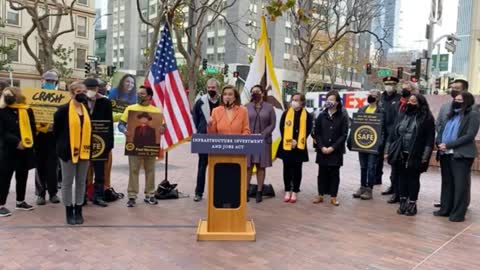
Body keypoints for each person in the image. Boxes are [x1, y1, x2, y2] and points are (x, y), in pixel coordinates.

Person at [434, 92, 479, 222]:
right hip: (445, 153)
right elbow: (442, 129)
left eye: (460, 100)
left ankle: (458, 214)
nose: (456, 101)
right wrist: (439, 142)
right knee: (447, 183)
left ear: (467, 102)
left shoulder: (473, 115)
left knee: (460, 185)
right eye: (455, 99)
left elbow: (469, 135)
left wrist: (448, 144)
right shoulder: (451, 114)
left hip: (461, 154)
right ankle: (445, 209)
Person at [387, 94, 435, 216]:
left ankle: (412, 203)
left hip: (416, 154)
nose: (410, 103)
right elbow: (393, 133)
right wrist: (389, 150)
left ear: (420, 104)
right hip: (400, 152)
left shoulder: (427, 118)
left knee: (413, 179)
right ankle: (403, 201)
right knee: (401, 178)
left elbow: (430, 140)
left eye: (414, 101)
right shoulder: (402, 114)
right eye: (410, 101)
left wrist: (425, 157)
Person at [118, 86, 164, 208]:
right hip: (134, 145)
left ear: (149, 96)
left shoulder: (156, 111)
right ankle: (132, 195)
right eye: (138, 94)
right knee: (133, 170)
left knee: (150, 170)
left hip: (150, 146)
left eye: (142, 94)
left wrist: (162, 129)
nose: (139, 96)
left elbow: (162, 127)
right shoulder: (130, 109)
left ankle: (150, 194)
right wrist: (124, 130)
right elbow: (121, 125)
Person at [54, 81, 92, 225]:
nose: (82, 93)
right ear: (71, 93)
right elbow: (56, 132)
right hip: (67, 152)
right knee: (67, 182)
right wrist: (62, 147)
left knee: (82, 181)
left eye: (84, 90)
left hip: (84, 151)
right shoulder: (63, 110)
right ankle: (69, 210)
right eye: (78, 91)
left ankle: (79, 209)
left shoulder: (86, 109)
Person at [0, 87, 36, 217]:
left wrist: (29, 143)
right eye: (6, 94)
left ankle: (20, 202)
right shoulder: (2, 111)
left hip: (25, 149)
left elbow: (32, 127)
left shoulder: (27, 110)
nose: (8, 96)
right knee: (4, 177)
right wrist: (16, 142)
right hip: (8, 149)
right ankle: (1, 204)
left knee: (22, 175)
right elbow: (2, 132)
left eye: (11, 94)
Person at [383, 79, 418, 204]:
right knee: (395, 169)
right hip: (395, 140)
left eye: (407, 88)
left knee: (406, 172)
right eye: (403, 87)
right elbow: (393, 122)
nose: (404, 90)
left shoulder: (416, 104)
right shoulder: (399, 104)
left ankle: (404, 194)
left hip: (408, 143)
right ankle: (396, 192)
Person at [313, 90, 348, 206]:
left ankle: (333, 196)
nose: (329, 102)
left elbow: (344, 135)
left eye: (332, 99)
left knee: (334, 174)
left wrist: (333, 147)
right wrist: (321, 146)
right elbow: (316, 133)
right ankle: (320, 195)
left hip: (335, 151)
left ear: (337, 102)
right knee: (321, 173)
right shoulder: (321, 115)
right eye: (328, 99)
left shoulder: (342, 116)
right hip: (322, 150)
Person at [277, 92, 313, 203]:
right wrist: (288, 140)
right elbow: (282, 128)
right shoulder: (286, 113)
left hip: (299, 147)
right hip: (286, 146)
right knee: (286, 168)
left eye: (297, 100)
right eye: (293, 99)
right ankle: (287, 190)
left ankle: (295, 191)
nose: (294, 102)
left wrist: (296, 142)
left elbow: (308, 130)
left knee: (297, 169)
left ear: (302, 102)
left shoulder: (308, 115)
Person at [84, 78, 114, 207]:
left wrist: (109, 144)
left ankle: (99, 196)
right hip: (83, 141)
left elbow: (110, 123)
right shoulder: (80, 101)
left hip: (100, 142)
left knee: (100, 171)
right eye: (88, 88)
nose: (91, 91)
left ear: (98, 89)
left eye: (93, 88)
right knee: (84, 171)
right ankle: (83, 196)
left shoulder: (105, 102)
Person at [351, 90, 385, 200]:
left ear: (378, 98)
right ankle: (362, 186)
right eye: (370, 95)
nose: (371, 97)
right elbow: (356, 124)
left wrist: (381, 142)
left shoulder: (381, 111)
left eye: (373, 96)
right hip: (362, 142)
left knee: (371, 167)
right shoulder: (362, 109)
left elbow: (383, 128)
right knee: (363, 166)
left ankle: (369, 189)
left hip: (374, 143)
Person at [245, 85, 276, 203]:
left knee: (260, 167)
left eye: (257, 91)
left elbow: (272, 124)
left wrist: (263, 134)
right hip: (249, 141)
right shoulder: (246, 107)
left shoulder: (269, 107)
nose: (255, 93)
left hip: (263, 141)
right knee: (248, 166)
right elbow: (243, 122)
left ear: (262, 93)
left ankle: (259, 191)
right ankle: (246, 191)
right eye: (253, 92)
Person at [35, 70, 62, 205]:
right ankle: (40, 194)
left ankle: (53, 193)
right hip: (39, 136)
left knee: (53, 166)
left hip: (54, 136)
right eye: (48, 81)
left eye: (53, 81)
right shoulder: (34, 96)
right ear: (42, 81)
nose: (50, 83)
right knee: (40, 166)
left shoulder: (61, 97)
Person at [192, 79, 220, 202]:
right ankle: (198, 192)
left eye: (213, 87)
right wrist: (200, 130)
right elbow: (195, 119)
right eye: (209, 87)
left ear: (217, 88)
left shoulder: (222, 102)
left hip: (219, 138)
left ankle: (217, 192)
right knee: (202, 165)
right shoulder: (200, 101)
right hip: (203, 137)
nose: (211, 90)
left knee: (218, 166)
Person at [378, 76, 401, 187]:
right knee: (377, 156)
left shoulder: (399, 98)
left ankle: (393, 184)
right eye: (387, 84)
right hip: (380, 131)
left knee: (393, 158)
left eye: (391, 84)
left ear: (395, 85)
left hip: (393, 132)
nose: (389, 86)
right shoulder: (380, 98)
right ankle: (376, 179)